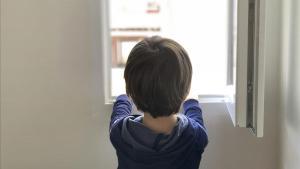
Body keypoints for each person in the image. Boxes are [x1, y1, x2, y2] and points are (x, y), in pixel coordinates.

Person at [109, 36, 208, 169]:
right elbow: (196, 118)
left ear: (131, 91)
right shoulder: (195, 137)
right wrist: (191, 102)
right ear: (185, 91)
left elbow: (118, 114)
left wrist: (123, 97)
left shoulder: (120, 133)